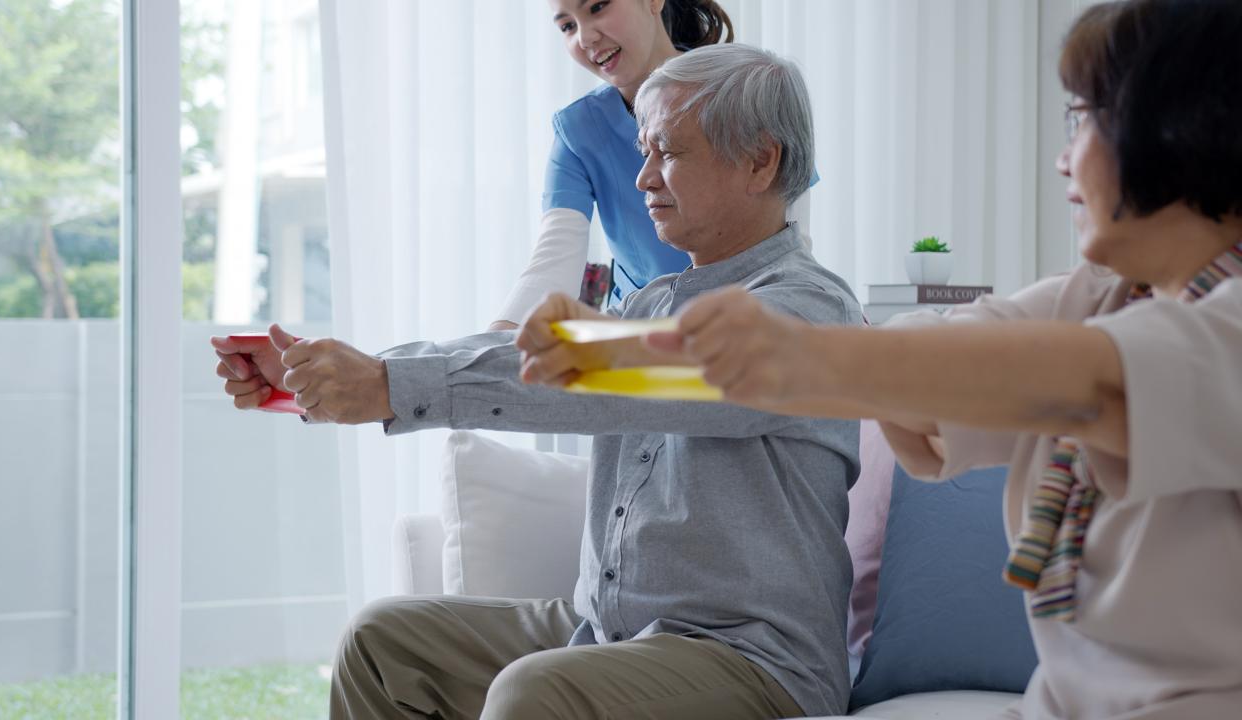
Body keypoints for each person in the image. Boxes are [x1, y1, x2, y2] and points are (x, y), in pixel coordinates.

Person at [543, 2, 1241, 718]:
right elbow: (962, 350)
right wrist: (605, 352)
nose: (1065, 155)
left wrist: (806, 356)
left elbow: (1095, 379)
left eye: (1085, 117)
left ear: (1179, 131)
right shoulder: (1098, 298)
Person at [212, 45, 861, 719]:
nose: (642, 180)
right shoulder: (650, 303)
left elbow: (607, 371)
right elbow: (535, 352)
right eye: (643, 152)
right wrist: (323, 377)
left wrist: (388, 383)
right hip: (607, 630)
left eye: (667, 152)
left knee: (535, 692)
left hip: (752, 662)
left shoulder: (809, 312)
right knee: (382, 644)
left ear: (761, 161)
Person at [489, 0, 741, 331]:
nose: (585, 38)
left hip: (742, 335)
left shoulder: (742, 94)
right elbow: (553, 264)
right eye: (567, 26)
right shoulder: (578, 130)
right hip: (637, 344)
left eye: (597, 7)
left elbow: (788, 244)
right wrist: (487, 351)